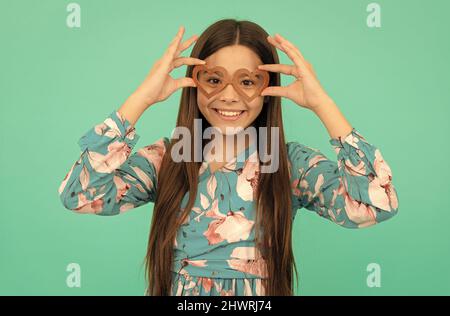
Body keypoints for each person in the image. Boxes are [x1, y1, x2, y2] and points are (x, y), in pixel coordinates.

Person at [58, 19, 399, 296]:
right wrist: (140, 99)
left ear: (267, 90)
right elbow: (79, 195)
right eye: (214, 79)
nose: (229, 95)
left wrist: (323, 104)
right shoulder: (174, 155)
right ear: (195, 83)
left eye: (248, 81)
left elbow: (375, 204)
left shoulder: (283, 160)